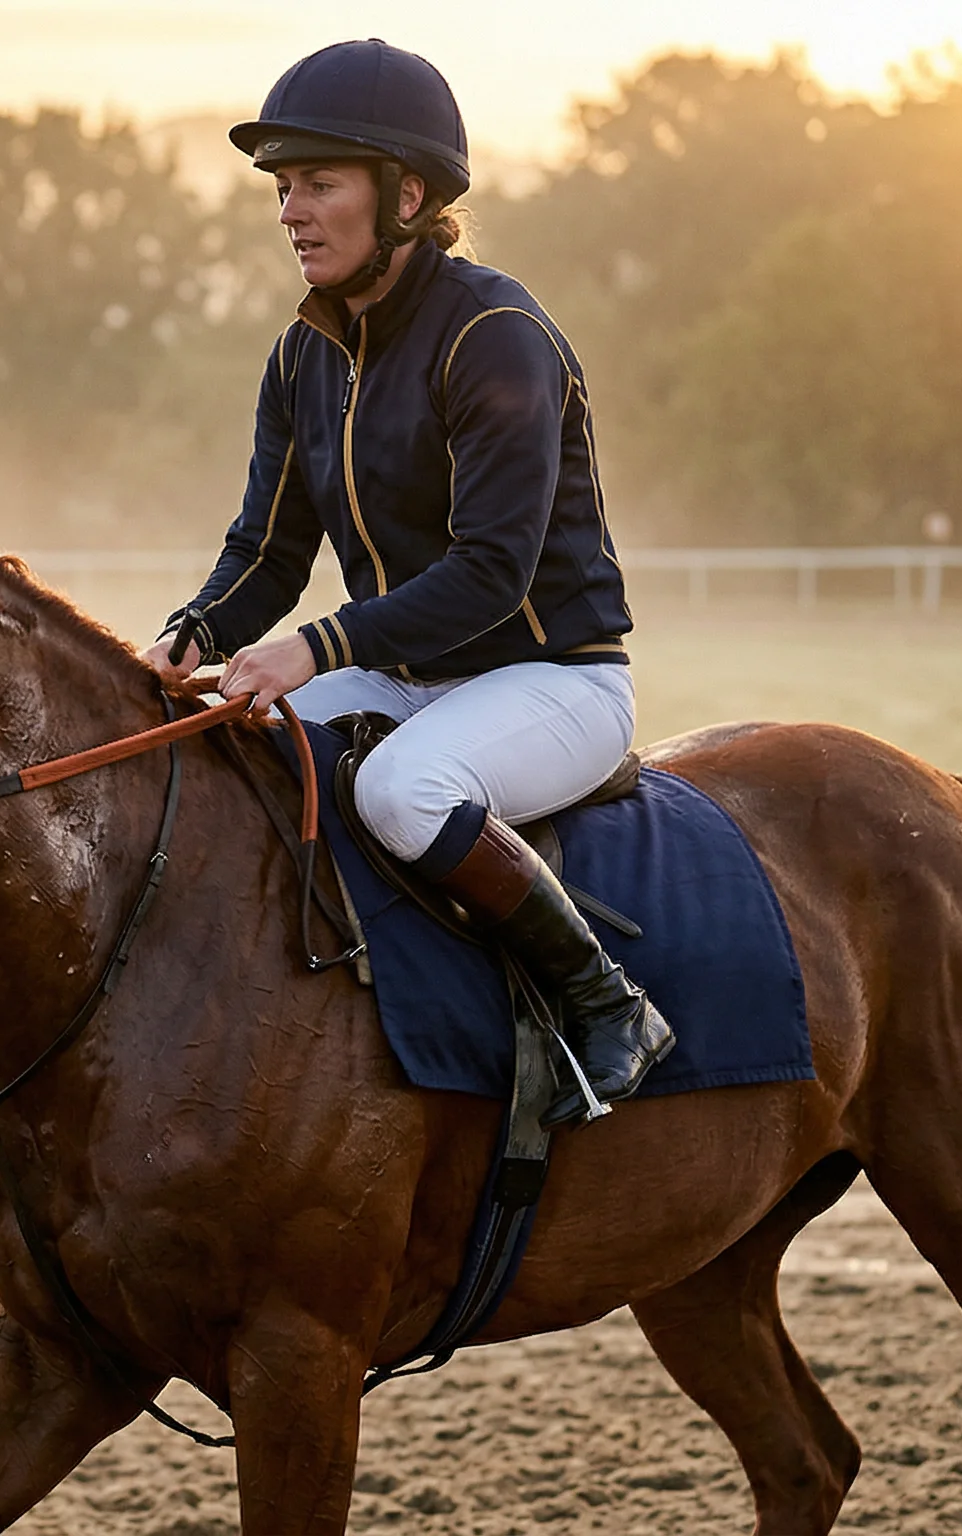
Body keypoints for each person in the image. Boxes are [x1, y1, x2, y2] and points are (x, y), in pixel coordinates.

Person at [141, 38, 672, 1123]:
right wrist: (185, 638)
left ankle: (607, 1003)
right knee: (229, 747)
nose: (290, 210)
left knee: (399, 791)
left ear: (408, 194)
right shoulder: (302, 355)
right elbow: (266, 553)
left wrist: (317, 648)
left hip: (553, 680)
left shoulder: (496, 336)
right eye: (282, 187)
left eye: (318, 183)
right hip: (409, 680)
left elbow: (491, 571)